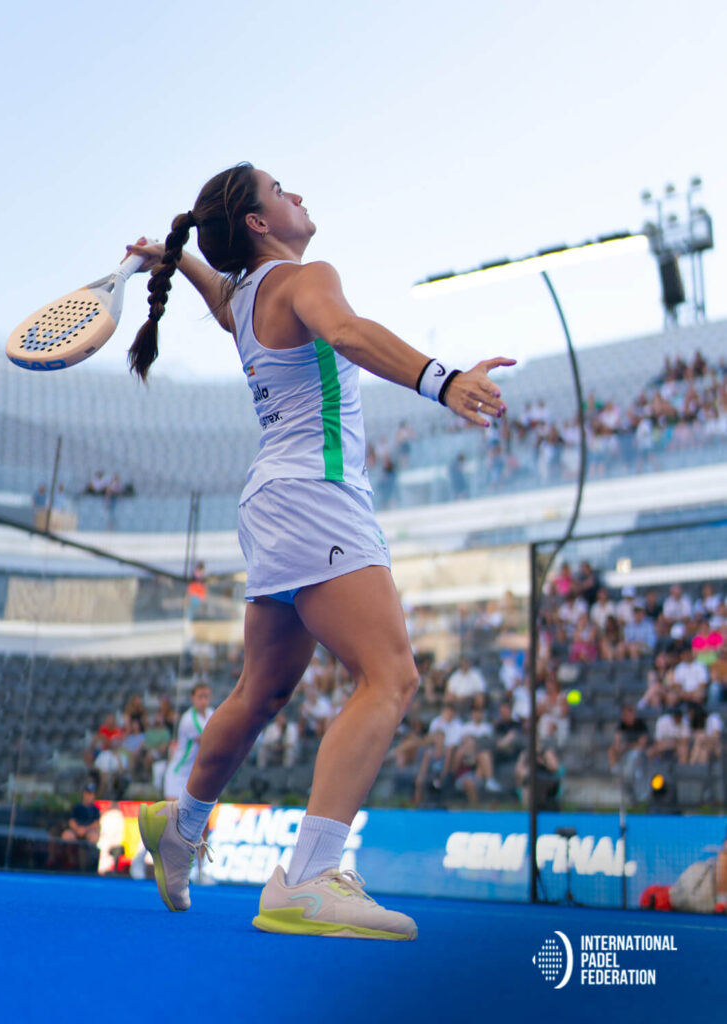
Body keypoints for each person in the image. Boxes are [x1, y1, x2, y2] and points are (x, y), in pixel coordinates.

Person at [130, 162, 513, 941]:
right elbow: (346, 332)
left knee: (262, 691)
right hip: (316, 495)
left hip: (270, 501)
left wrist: (178, 260)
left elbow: (220, 301)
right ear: (258, 223)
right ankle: (306, 877)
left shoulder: (247, 297)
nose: (296, 194)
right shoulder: (307, 279)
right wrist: (442, 381)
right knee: (390, 675)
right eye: (279, 191)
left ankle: (183, 821)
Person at [163, 683, 214, 799]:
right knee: (174, 810)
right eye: (200, 697)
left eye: (206, 697)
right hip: (179, 774)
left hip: (194, 776)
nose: (203, 701)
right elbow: (210, 741)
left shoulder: (211, 713)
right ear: (192, 698)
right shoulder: (189, 719)